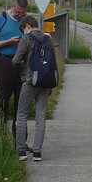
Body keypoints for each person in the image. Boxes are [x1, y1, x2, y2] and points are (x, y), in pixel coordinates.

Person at [12, 15, 55, 161]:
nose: (24, 31)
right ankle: (37, 152)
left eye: (24, 29)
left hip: (30, 81)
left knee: (22, 115)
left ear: (27, 26)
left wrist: (24, 63)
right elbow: (52, 63)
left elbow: (16, 60)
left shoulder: (26, 38)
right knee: (40, 117)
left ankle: (21, 151)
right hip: (45, 82)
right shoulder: (48, 38)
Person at [0, 0, 29, 135]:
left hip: (22, 64)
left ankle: (19, 139)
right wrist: (9, 41)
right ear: (12, 6)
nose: (20, 15)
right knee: (2, 99)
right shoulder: (1, 18)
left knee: (21, 101)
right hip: (4, 61)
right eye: (18, 12)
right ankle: (0, 135)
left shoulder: (26, 21)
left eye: (23, 12)